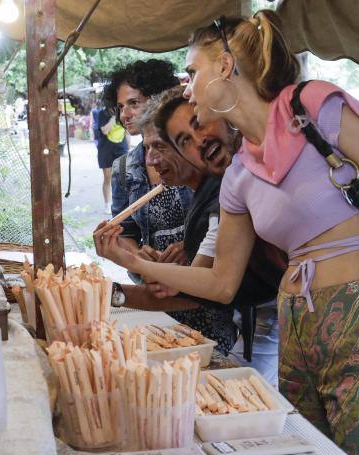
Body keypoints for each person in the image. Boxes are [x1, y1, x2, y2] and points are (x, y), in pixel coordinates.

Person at [96, 12, 359, 455]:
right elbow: (221, 283)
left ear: (226, 66)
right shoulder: (239, 175)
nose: (188, 88)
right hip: (298, 330)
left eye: (192, 73)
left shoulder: (310, 105)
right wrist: (140, 264)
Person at [154, 86, 281, 385]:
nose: (151, 160)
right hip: (292, 314)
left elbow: (217, 286)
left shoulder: (278, 150)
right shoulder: (232, 183)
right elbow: (216, 281)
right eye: (184, 140)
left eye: (199, 122)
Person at [102, 60, 191, 272]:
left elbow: (222, 219)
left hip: (205, 278)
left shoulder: (194, 154)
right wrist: (139, 257)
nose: (124, 114)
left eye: (134, 103)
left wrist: (194, 246)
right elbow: (125, 232)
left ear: (160, 100)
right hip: (156, 284)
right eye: (121, 106)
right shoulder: (124, 168)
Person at [91, 100, 128, 214]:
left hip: (121, 147)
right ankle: (107, 204)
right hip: (106, 148)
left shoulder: (123, 111)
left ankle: (123, 203)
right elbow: (105, 130)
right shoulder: (103, 113)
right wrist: (113, 118)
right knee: (108, 177)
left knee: (123, 177)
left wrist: (128, 146)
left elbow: (126, 131)